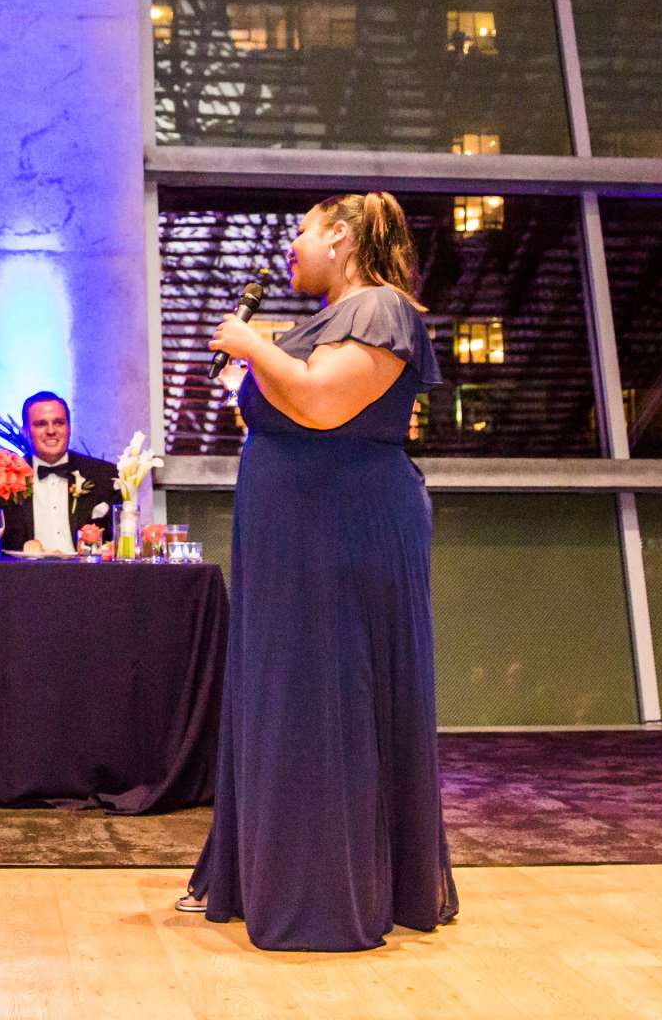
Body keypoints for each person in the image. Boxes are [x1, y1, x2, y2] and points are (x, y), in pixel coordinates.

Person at [183, 191, 457, 951]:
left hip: (342, 531)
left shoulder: (380, 307)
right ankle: (278, 873)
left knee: (327, 698)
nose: (291, 247)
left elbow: (321, 402)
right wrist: (268, 357)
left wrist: (250, 345)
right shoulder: (327, 322)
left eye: (301, 231)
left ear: (340, 236)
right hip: (300, 535)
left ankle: (325, 896)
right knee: (290, 698)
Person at [2, 391, 117, 556]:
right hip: (23, 575)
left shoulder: (104, 475)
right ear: (26, 432)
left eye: (59, 423)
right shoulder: (4, 479)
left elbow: (117, 541)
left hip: (88, 576)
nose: (51, 431)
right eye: (41, 424)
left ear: (69, 428)